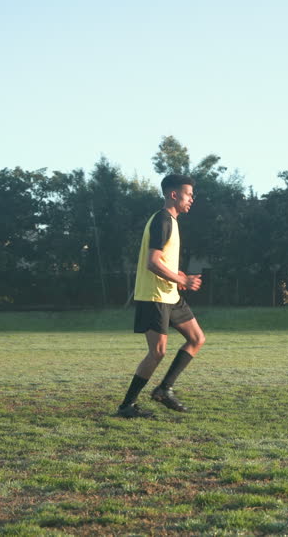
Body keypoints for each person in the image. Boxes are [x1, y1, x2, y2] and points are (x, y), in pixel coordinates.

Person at [116, 174, 206, 418]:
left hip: (170, 294)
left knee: (197, 338)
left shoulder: (171, 221)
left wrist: (177, 275)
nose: (192, 199)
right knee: (157, 352)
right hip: (154, 296)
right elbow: (152, 262)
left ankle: (164, 389)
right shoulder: (163, 220)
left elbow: (162, 260)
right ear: (173, 195)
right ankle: (127, 406)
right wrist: (182, 280)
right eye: (188, 195)